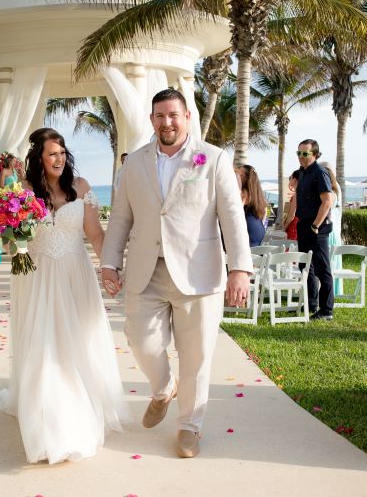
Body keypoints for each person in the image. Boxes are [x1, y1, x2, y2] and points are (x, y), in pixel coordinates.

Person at [101, 88, 252, 458]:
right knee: (140, 338)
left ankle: (189, 425)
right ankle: (163, 387)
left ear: (187, 117)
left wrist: (240, 269)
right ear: (152, 120)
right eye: (159, 115)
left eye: (173, 115)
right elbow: (121, 216)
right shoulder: (133, 163)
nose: (166, 122)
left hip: (199, 273)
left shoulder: (213, 159)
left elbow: (232, 216)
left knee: (196, 354)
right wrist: (109, 262)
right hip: (145, 270)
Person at [0, 127, 128, 464]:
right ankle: (48, 425)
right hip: (36, 277)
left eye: (63, 152)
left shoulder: (80, 189)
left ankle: (77, 409)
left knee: (73, 344)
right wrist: (14, 238)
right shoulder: (22, 192)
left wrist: (110, 267)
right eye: (52, 153)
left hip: (74, 274)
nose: (59, 158)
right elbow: (10, 242)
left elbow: (95, 234)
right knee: (43, 345)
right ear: (38, 157)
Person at [295, 139, 335, 320]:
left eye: (305, 154)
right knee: (305, 266)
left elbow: (327, 200)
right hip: (304, 224)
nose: (301, 157)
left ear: (315, 155)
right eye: (299, 153)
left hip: (317, 226)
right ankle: (311, 304)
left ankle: (327, 310)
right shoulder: (302, 173)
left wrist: (315, 226)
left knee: (322, 268)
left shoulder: (320, 173)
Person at [321, 162, 343, 296]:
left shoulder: (329, 194)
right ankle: (333, 290)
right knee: (332, 261)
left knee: (326, 262)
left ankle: (326, 292)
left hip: (328, 230)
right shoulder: (336, 191)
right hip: (334, 229)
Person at [236, 164, 266, 247]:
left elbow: (236, 211)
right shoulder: (257, 193)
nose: (236, 177)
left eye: (239, 175)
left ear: (245, 178)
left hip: (248, 229)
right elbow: (264, 212)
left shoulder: (243, 193)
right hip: (258, 227)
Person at [282, 170, 300, 240]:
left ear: (295, 179)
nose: (289, 179)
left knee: (291, 247)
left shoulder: (297, 194)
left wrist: (285, 226)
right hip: (299, 224)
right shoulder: (303, 192)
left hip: (294, 225)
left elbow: (292, 214)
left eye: (291, 177)